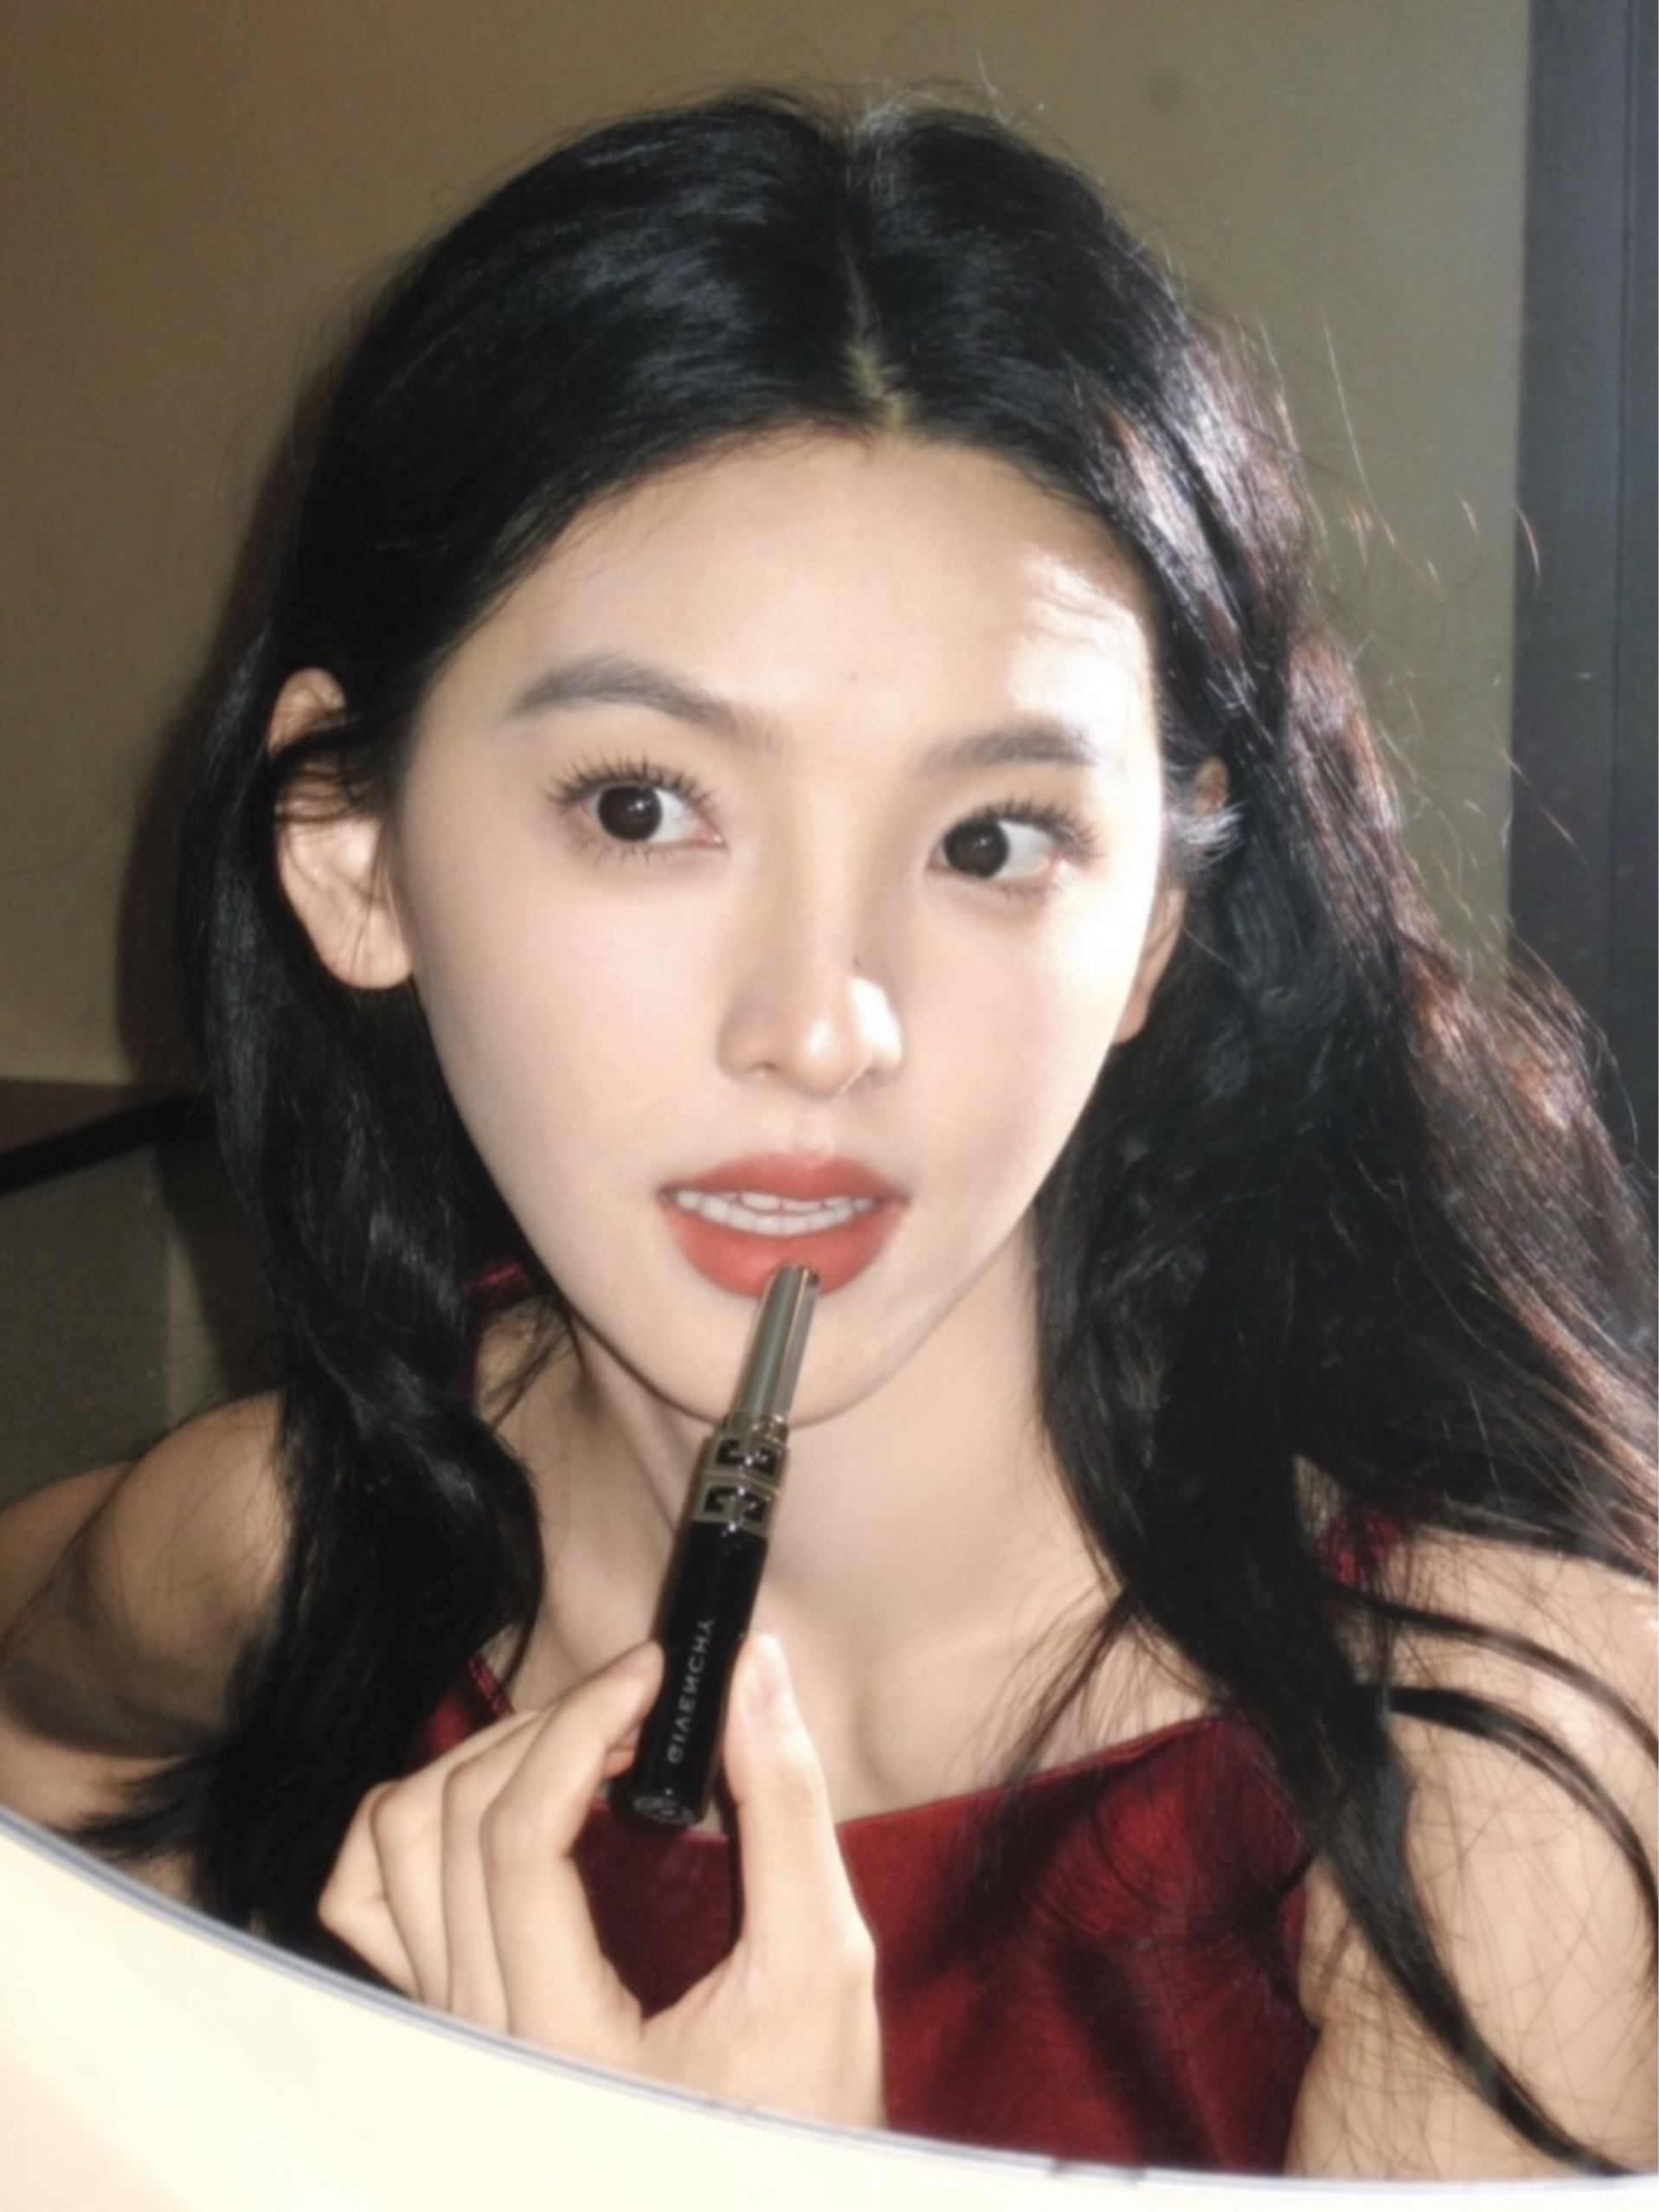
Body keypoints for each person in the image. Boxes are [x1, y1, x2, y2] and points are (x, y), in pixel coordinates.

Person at [0, 89, 1652, 2179]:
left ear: (1149, 925)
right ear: (350, 849)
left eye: (992, 840)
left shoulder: (1510, 1765)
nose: (824, 1028)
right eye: (641, 807)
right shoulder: (284, 1542)